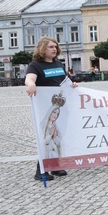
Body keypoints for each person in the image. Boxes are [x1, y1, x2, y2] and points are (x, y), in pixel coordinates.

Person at [25, 37, 77, 181]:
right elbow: (29, 78)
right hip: (46, 109)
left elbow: (64, 81)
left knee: (57, 136)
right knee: (45, 137)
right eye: (51, 47)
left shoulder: (58, 64)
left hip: (61, 107)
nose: (54, 49)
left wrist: (73, 85)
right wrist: (30, 84)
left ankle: (55, 166)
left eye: (55, 46)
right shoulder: (35, 65)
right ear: (42, 49)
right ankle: (41, 170)